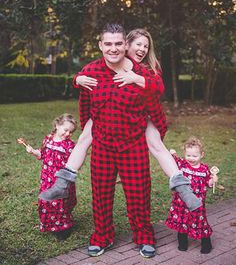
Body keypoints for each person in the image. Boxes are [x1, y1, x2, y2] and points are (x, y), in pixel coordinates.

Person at [40, 29, 201, 213]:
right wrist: (78, 79)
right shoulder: (110, 63)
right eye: (138, 45)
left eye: (146, 46)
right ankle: (63, 182)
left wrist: (136, 78)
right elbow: (88, 75)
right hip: (107, 115)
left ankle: (182, 187)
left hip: (142, 116)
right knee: (85, 137)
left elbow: (158, 86)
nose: (142, 49)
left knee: (156, 144)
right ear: (127, 45)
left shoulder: (146, 68)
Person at [17, 113, 77, 240]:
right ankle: (50, 224)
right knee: (47, 200)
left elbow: (73, 162)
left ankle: (64, 228)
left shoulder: (69, 145)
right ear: (57, 125)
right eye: (66, 130)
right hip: (47, 178)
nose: (68, 134)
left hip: (60, 180)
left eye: (71, 132)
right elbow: (43, 154)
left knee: (60, 202)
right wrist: (33, 151)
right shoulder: (48, 139)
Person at [165, 137, 218, 254]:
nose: (191, 159)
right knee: (182, 220)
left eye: (195, 156)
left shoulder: (204, 169)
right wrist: (172, 153)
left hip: (197, 203)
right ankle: (182, 243)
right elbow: (172, 160)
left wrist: (213, 180)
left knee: (200, 222)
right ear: (185, 154)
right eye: (188, 155)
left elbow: (208, 183)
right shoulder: (182, 165)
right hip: (181, 202)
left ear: (202, 154)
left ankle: (206, 243)